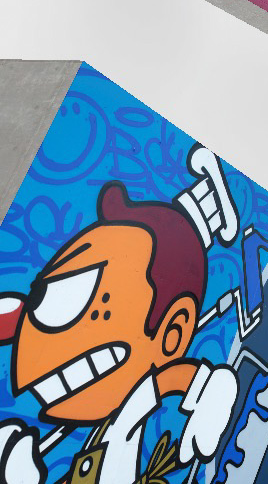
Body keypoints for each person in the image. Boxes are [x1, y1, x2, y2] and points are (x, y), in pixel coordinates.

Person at [0, 181, 238, 484]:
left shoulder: (129, 408)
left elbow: (168, 381)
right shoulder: (115, 418)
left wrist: (209, 395)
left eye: (74, 292)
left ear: (172, 333)